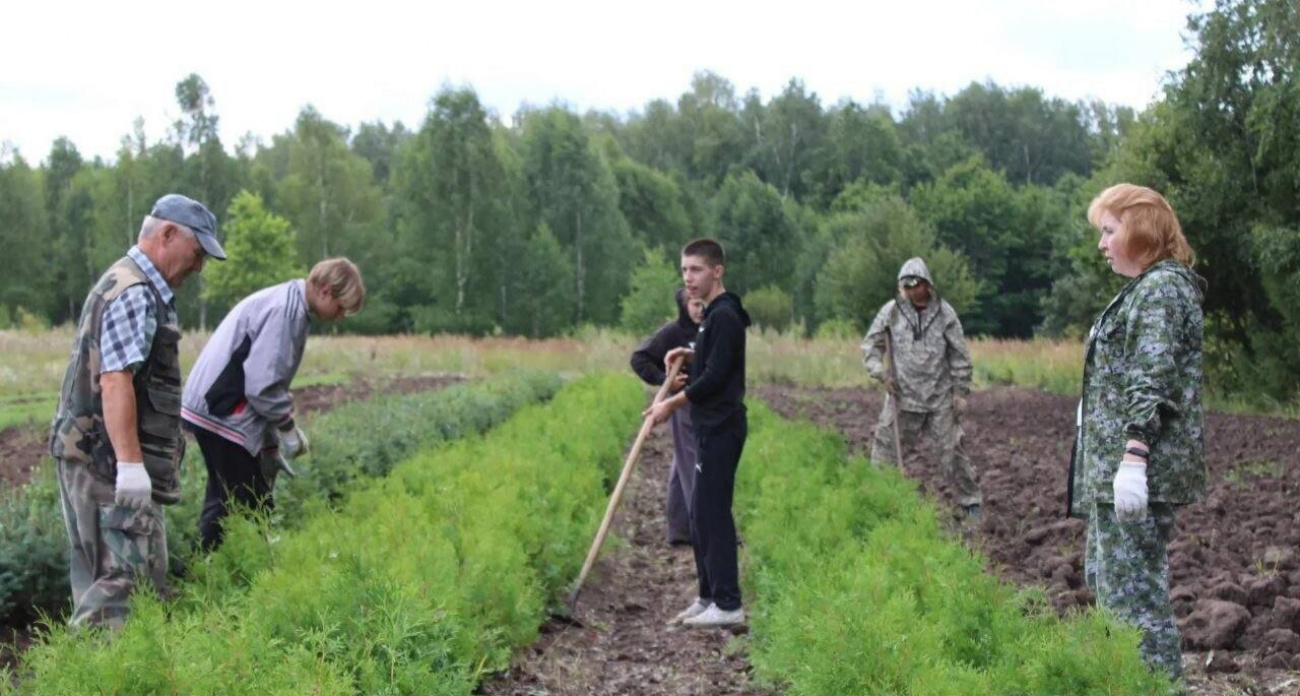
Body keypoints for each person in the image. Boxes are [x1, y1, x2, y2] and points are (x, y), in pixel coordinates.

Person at [48, 194, 225, 629]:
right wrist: (129, 465)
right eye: (197, 253)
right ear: (168, 234)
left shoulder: (135, 284)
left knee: (119, 578)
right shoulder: (134, 291)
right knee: (121, 585)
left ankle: (101, 664)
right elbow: (115, 379)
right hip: (105, 462)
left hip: (96, 456)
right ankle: (89, 666)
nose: (199, 267)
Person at [1069, 183, 1205, 685]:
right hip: (1115, 470)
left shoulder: (1161, 290)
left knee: (1134, 603)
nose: (1101, 244)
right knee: (1111, 587)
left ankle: (1156, 689)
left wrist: (1133, 457)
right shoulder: (1144, 289)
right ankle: (1129, 686)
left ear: (1141, 232)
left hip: (1138, 472)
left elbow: (1152, 380)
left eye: (1109, 231)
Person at [181, 258, 365, 551]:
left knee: (225, 500)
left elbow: (266, 384)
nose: (341, 317)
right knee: (254, 506)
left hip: (215, 405)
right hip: (221, 409)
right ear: (326, 292)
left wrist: (270, 447)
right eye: (342, 307)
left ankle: (204, 568)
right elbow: (261, 387)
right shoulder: (286, 313)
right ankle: (252, 569)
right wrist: (287, 429)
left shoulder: (290, 303)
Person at [645, 238, 751, 629]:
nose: (688, 278)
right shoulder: (711, 315)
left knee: (713, 512)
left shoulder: (725, 315)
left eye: (696, 269)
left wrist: (670, 405)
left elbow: (715, 378)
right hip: (709, 426)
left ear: (717, 271)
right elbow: (714, 357)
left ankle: (728, 603)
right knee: (700, 512)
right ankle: (708, 596)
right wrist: (687, 354)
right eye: (684, 270)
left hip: (722, 427)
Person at [861, 257, 983, 517]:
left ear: (927, 284)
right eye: (906, 286)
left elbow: (960, 356)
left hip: (939, 398)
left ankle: (971, 504)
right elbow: (870, 346)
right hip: (902, 398)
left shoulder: (945, 314)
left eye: (916, 285)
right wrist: (881, 373)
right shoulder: (892, 311)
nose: (911, 290)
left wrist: (960, 392)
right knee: (884, 452)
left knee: (952, 453)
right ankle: (878, 503)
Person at [630, 289, 705, 546]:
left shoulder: (709, 329)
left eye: (703, 304)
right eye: (695, 305)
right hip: (685, 405)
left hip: (707, 402)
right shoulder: (673, 333)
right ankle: (705, 528)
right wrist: (665, 381)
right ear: (684, 306)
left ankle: (680, 530)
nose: (700, 310)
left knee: (682, 462)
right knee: (695, 462)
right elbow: (639, 359)